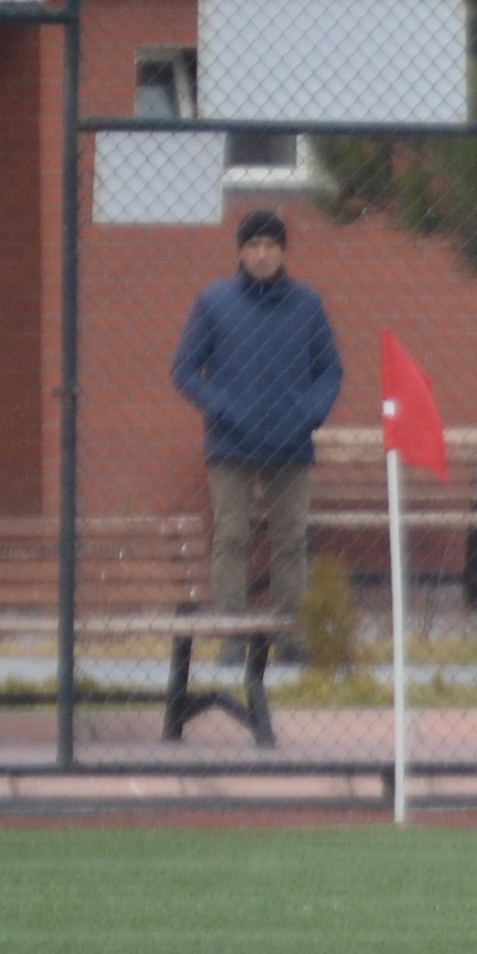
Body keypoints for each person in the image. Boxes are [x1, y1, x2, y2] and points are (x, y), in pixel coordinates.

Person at [170, 209, 343, 646]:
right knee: (231, 536)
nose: (262, 254)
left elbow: (330, 371)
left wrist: (307, 415)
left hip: (291, 444)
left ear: (283, 252)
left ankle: (290, 635)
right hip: (232, 444)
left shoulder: (307, 305)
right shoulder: (214, 303)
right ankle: (233, 635)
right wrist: (225, 409)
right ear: (241, 252)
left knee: (291, 539)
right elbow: (185, 369)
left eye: (270, 246)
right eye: (253, 246)